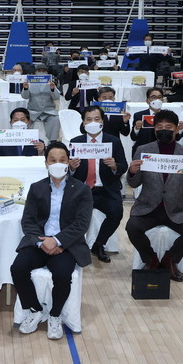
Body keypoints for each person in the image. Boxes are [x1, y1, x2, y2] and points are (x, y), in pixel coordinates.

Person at [10, 142, 92, 340]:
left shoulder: (82, 189)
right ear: (46, 163)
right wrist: (42, 242)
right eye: (53, 160)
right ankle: (35, 309)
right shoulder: (36, 188)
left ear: (68, 162)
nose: (57, 164)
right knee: (18, 268)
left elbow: (82, 224)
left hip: (66, 245)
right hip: (39, 242)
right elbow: (28, 221)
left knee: (62, 275)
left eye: (62, 160)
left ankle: (55, 315)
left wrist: (57, 241)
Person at [126, 109, 183, 282]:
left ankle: (170, 260)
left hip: (177, 209)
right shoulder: (143, 150)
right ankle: (151, 260)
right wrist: (132, 172)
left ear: (177, 129)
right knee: (132, 227)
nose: (164, 130)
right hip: (148, 208)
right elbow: (134, 183)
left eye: (168, 127)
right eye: (159, 127)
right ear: (154, 129)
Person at [69, 106, 127, 263]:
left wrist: (115, 166)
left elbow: (123, 165)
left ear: (102, 121)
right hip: (82, 190)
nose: (93, 122)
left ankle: (99, 244)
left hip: (106, 190)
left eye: (96, 119)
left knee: (116, 213)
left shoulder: (113, 141)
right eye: (88, 119)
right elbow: (68, 172)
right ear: (83, 122)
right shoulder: (76, 142)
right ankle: (74, 246)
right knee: (71, 215)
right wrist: (71, 168)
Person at [130, 87, 183, 157]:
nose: (157, 99)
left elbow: (177, 138)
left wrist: (179, 130)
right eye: (153, 97)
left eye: (159, 97)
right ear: (147, 101)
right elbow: (133, 137)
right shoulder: (139, 115)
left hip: (163, 151)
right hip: (143, 151)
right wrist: (136, 128)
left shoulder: (169, 116)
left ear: (162, 100)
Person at [21, 66, 62, 142]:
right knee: (25, 119)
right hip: (33, 111)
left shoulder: (51, 83)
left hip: (49, 111)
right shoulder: (30, 83)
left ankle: (52, 140)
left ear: (47, 73)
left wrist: (53, 89)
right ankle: (28, 140)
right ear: (35, 73)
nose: (41, 72)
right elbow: (24, 96)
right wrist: (25, 88)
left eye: (44, 71)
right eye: (39, 70)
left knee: (56, 119)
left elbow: (57, 97)